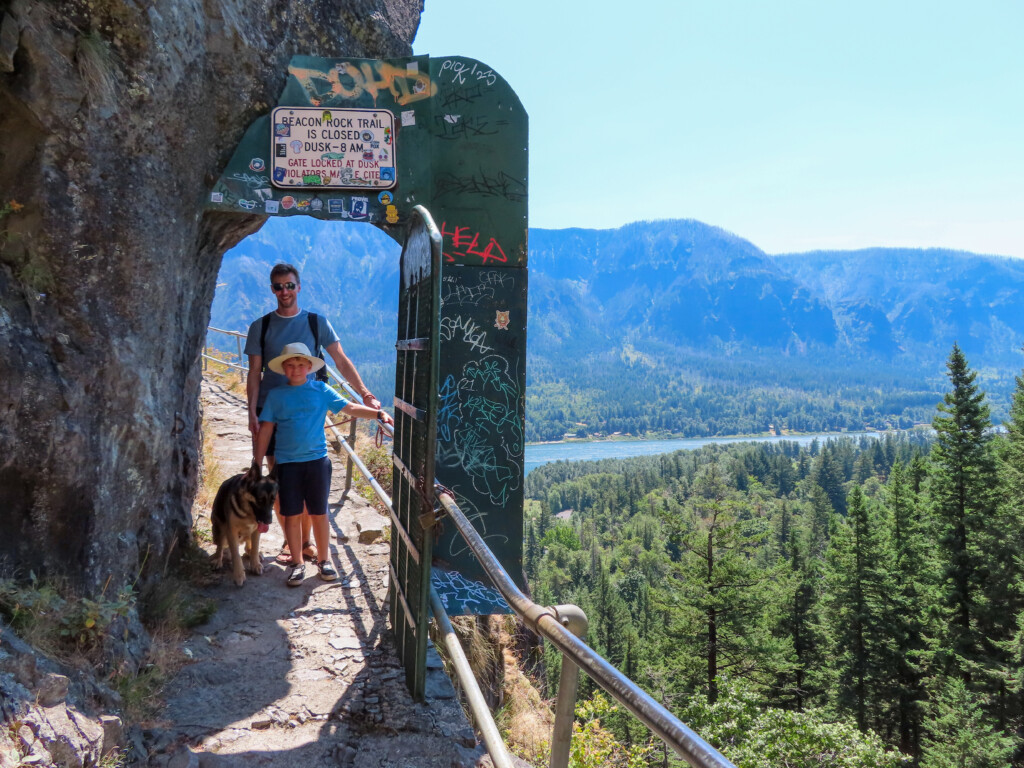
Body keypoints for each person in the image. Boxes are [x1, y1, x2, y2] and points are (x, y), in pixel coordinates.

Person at [245, 262, 384, 565]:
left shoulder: (316, 322)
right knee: (280, 481)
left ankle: (304, 544)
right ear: (273, 289)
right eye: (279, 286)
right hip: (271, 410)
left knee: (301, 476)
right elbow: (254, 373)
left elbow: (341, 359)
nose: (285, 291)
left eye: (290, 285)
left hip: (307, 408)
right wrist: (251, 413)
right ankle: (293, 542)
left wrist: (365, 394)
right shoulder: (261, 326)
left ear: (299, 286)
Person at [254, 343, 391, 586]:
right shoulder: (276, 396)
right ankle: (297, 563)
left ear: (309, 366)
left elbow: (349, 408)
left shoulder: (321, 389)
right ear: (284, 368)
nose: (296, 369)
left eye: (300, 364)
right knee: (291, 514)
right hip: (287, 464)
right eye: (291, 365)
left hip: (317, 461)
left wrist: (378, 414)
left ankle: (324, 561)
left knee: (319, 513)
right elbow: (265, 431)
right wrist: (256, 464)